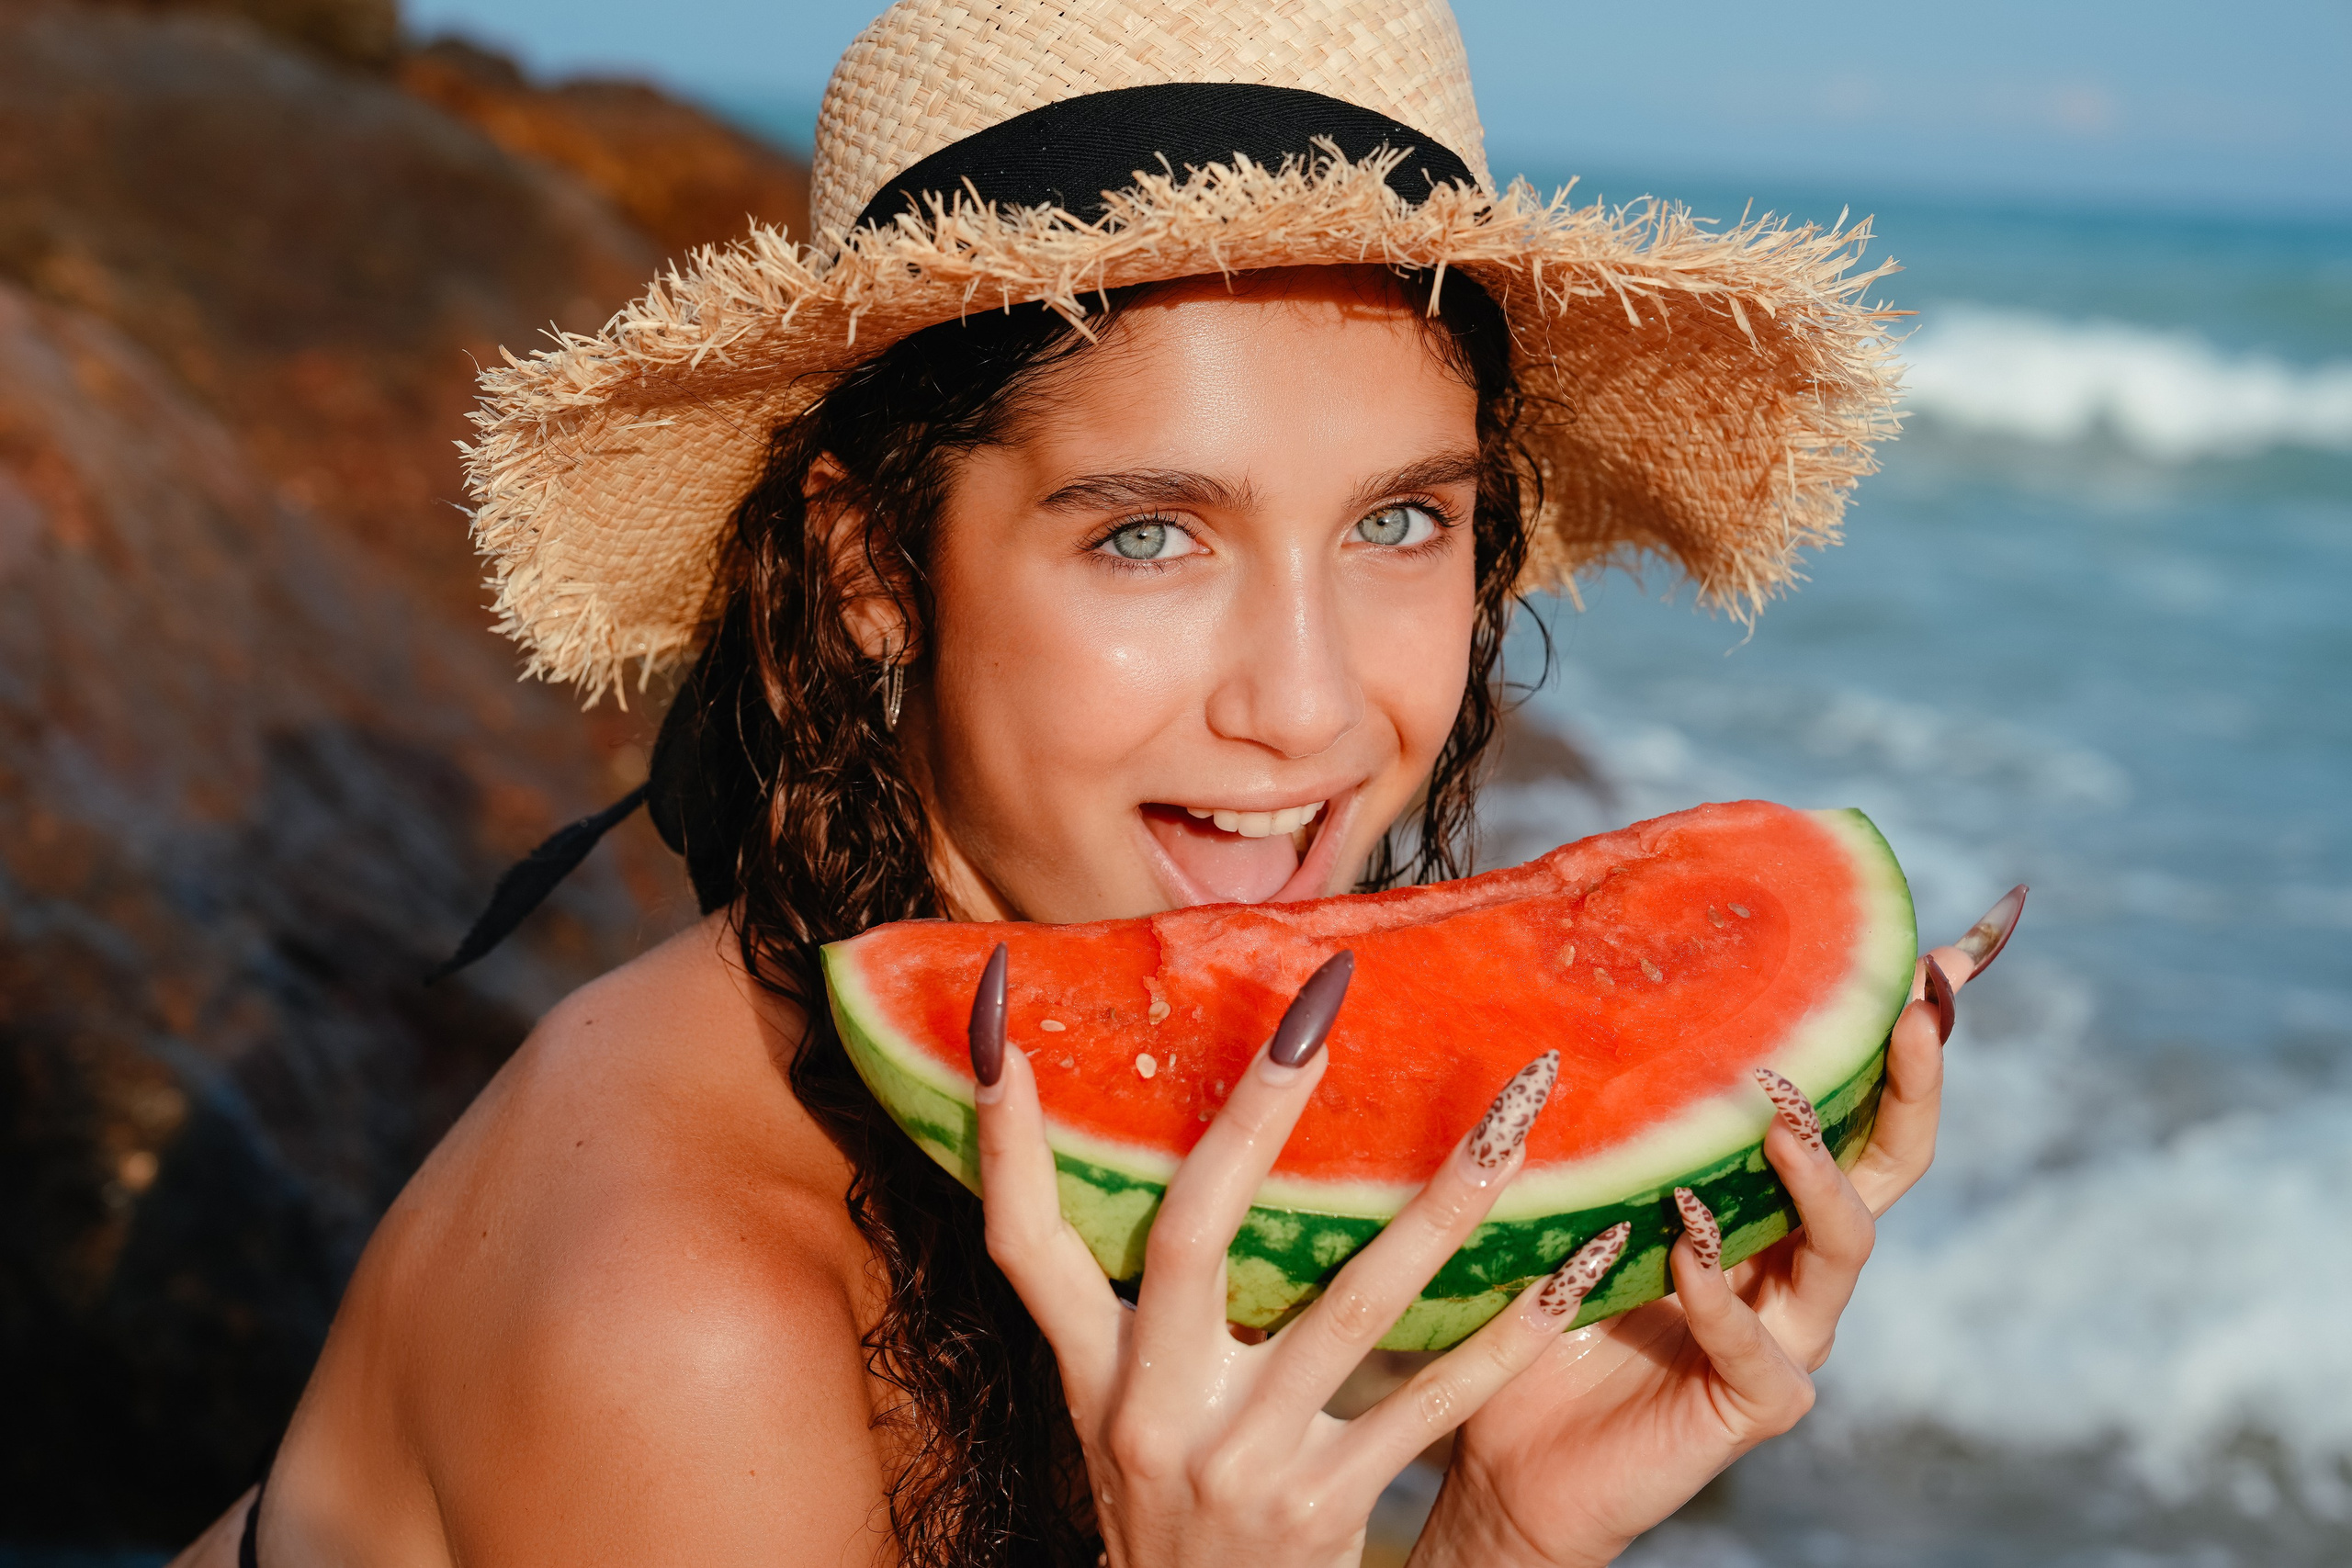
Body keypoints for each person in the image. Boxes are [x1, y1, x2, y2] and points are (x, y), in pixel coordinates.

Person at [171, 1, 2028, 1563]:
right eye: (1147, 535)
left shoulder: (1063, 1072)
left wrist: (1500, 1530)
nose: (1307, 712)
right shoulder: (682, 1320)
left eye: (1399, 520)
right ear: (872, 570)